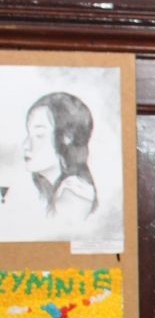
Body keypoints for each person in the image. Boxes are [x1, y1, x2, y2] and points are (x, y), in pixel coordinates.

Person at [23, 92, 99, 221]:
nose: (26, 145)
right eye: (28, 134)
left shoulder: (75, 195)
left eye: (39, 135)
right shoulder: (50, 189)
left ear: (67, 138)